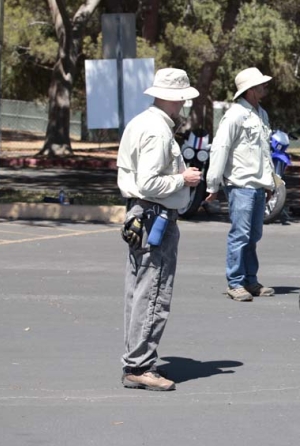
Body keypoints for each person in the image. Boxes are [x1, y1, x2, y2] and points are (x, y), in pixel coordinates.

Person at [116, 68, 202, 391]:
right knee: (153, 291)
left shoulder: (140, 123)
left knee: (137, 289)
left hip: (141, 213)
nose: (182, 106)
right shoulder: (158, 131)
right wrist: (184, 179)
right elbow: (149, 182)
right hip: (156, 215)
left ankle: (135, 359)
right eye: (181, 99)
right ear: (172, 98)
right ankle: (140, 364)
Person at [205, 67, 276, 302]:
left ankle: (250, 280)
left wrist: (269, 183)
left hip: (257, 185)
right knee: (241, 234)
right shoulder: (235, 115)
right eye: (261, 85)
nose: (264, 88)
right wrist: (213, 185)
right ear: (251, 90)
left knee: (253, 235)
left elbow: (264, 151)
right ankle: (235, 282)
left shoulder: (260, 113)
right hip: (240, 184)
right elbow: (220, 148)